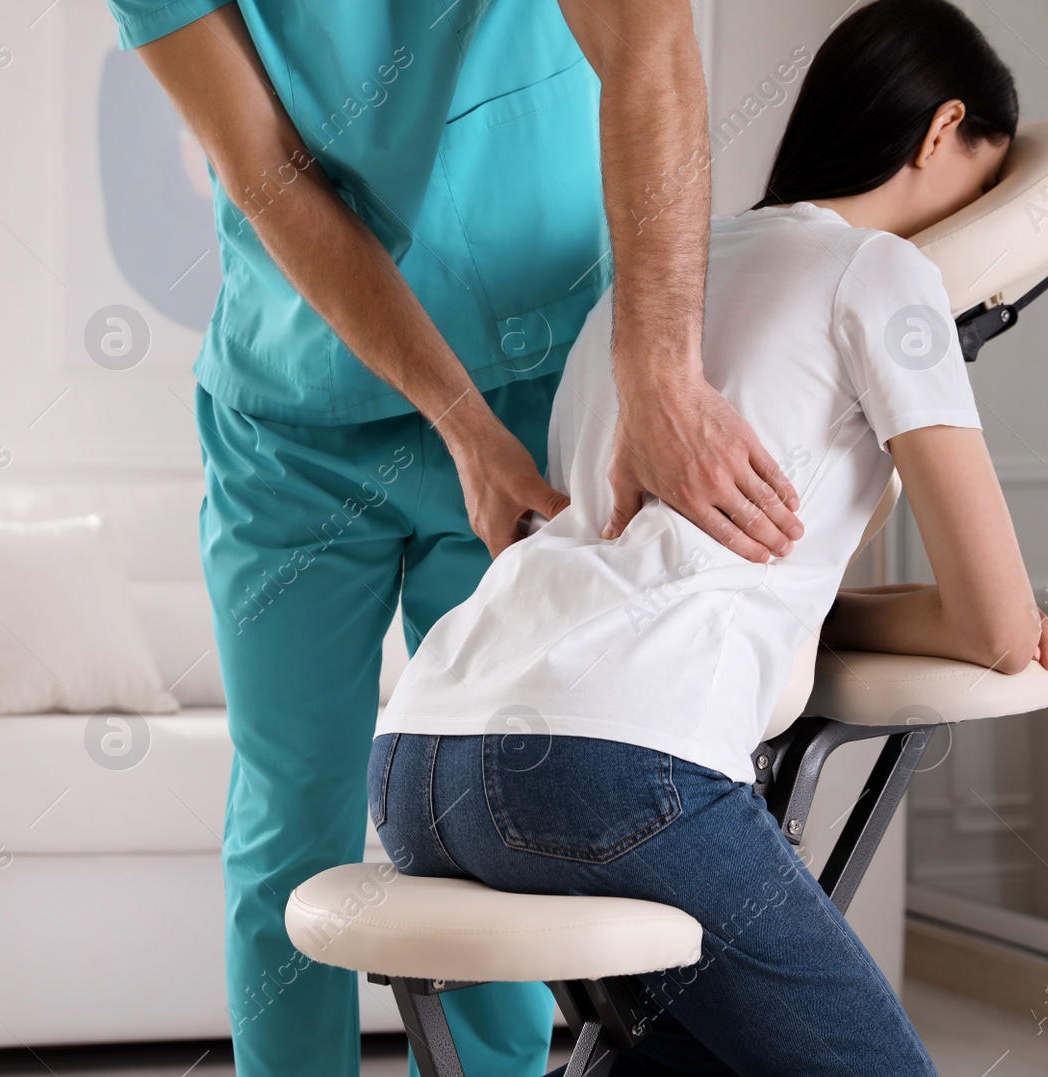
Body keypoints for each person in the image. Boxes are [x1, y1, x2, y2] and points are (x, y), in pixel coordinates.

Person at [103, 2, 806, 1074]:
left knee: (491, 807)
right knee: (289, 825)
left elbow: (647, 42)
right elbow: (264, 170)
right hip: (292, 416)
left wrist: (660, 372)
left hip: (536, 377)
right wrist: (459, 426)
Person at [372, 1, 1048, 1073]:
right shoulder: (884, 274)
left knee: (682, 1053)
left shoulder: (649, 283)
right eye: (981, 178)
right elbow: (991, 628)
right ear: (943, 132)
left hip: (420, 760)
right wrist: (1018, 618)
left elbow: (666, 563)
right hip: (604, 770)